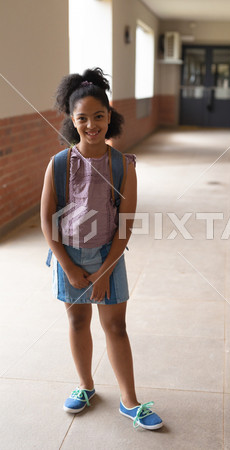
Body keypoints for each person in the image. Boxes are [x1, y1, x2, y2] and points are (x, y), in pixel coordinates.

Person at [40, 67, 163, 430]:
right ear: (71, 120)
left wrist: (106, 270)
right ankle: (85, 386)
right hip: (69, 257)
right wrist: (68, 265)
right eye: (83, 118)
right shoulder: (59, 163)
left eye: (98, 116)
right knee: (78, 321)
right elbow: (47, 221)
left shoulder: (122, 165)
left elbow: (125, 223)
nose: (91, 124)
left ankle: (130, 401)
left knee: (116, 327)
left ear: (110, 116)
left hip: (109, 255)